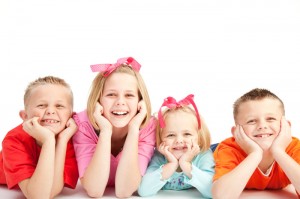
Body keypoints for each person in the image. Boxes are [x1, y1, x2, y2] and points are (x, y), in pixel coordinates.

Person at [72, 57, 156, 198]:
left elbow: (124, 191)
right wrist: (105, 131)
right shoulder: (83, 125)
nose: (120, 102)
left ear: (140, 101)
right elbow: (95, 190)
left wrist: (134, 128)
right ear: (98, 100)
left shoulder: (147, 127)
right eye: (111, 94)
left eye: (129, 95)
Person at [212, 88, 300, 199]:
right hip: (211, 151)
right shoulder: (229, 149)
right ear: (235, 132)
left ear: (286, 125)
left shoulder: (294, 147)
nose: (262, 126)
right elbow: (222, 196)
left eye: (271, 118)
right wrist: (255, 154)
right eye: (251, 121)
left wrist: (278, 152)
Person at [0, 76, 79, 199]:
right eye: (41, 105)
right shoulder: (14, 140)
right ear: (25, 116)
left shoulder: (70, 139)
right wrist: (48, 140)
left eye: (59, 106)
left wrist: (62, 141)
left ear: (71, 116)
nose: (50, 111)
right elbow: (37, 196)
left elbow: (51, 192)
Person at [138, 94, 215, 198]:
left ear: (199, 137)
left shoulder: (203, 155)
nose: (179, 140)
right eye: (170, 135)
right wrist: (171, 164)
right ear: (161, 139)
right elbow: (144, 191)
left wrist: (186, 164)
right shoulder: (160, 155)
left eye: (187, 134)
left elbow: (213, 191)